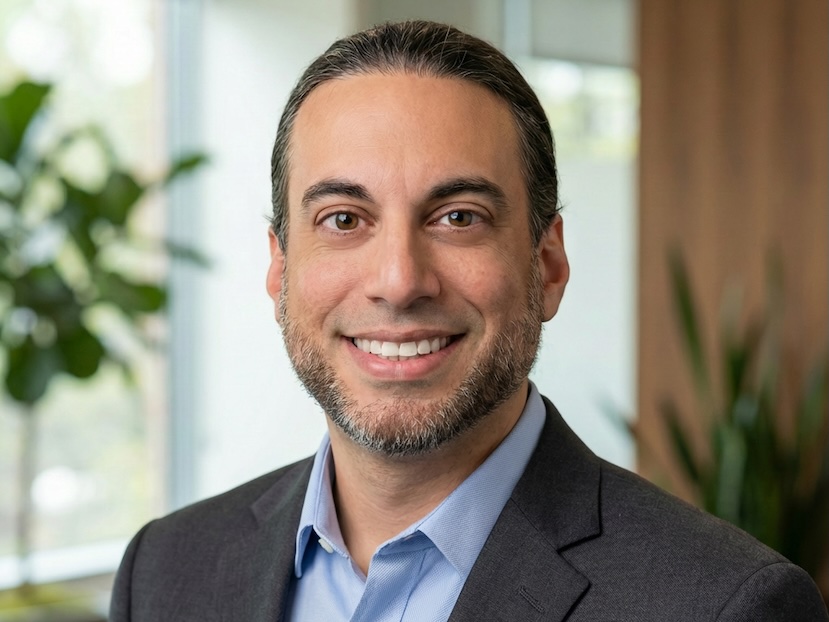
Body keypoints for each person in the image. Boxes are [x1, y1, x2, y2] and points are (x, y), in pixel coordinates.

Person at [110, 20, 829, 621]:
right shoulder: (165, 574)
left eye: (458, 217)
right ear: (279, 268)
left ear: (546, 264)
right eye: (342, 218)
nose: (398, 281)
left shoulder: (722, 606)